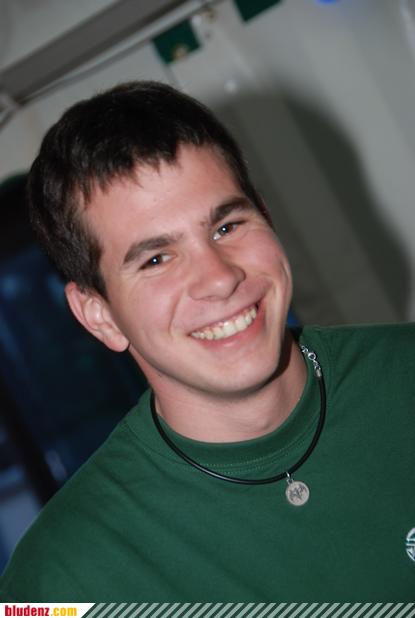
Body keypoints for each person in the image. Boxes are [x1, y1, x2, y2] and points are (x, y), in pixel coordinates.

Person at [0, 82, 414, 601]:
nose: (219, 278)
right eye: (156, 259)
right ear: (100, 315)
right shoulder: (59, 583)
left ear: (266, 216)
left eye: (227, 226)